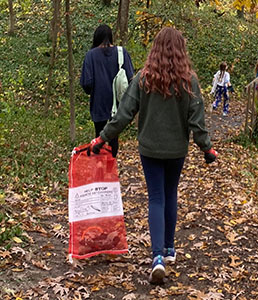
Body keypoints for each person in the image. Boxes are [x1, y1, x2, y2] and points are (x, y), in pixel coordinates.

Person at [88, 27, 218, 284]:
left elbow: (124, 113)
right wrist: (207, 148)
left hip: (149, 149)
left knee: (156, 198)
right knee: (171, 193)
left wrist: (102, 137)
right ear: (182, 51)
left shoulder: (144, 78)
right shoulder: (188, 81)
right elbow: (197, 119)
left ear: (155, 49)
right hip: (175, 150)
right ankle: (169, 250)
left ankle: (157, 256)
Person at [80, 24, 135, 158]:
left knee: (99, 137)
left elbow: (86, 83)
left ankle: (100, 170)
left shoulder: (90, 56)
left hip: (99, 104)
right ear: (111, 37)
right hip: (118, 104)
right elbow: (130, 78)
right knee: (114, 136)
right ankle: (112, 166)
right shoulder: (122, 53)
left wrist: (93, 91)